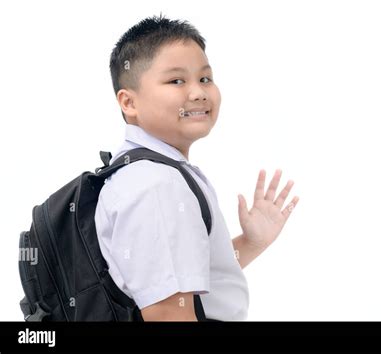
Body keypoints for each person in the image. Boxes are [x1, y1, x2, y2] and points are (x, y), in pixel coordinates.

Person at [94, 15, 299, 321]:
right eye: (176, 80)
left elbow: (186, 274)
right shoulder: (155, 184)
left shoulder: (155, 172)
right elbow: (166, 314)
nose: (198, 92)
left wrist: (250, 244)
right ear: (129, 103)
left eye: (204, 78)